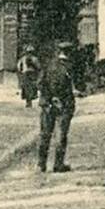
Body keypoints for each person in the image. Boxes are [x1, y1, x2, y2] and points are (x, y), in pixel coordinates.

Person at [38, 44, 76, 173]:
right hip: (63, 105)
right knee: (61, 135)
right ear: (69, 53)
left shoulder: (48, 65)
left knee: (45, 134)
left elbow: (40, 83)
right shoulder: (69, 67)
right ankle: (58, 165)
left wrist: (48, 98)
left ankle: (41, 164)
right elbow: (74, 86)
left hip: (47, 105)